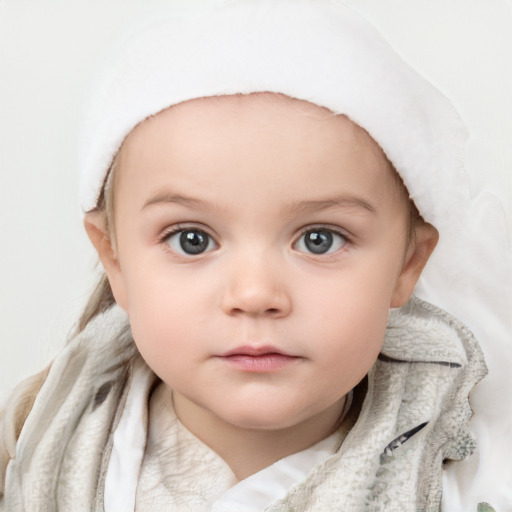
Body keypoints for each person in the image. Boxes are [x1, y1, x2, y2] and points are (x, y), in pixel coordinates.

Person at [0, 1, 508, 510]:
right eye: (192, 239)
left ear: (407, 264)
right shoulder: (34, 438)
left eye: (320, 239)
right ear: (116, 262)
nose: (255, 294)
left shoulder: (471, 477)